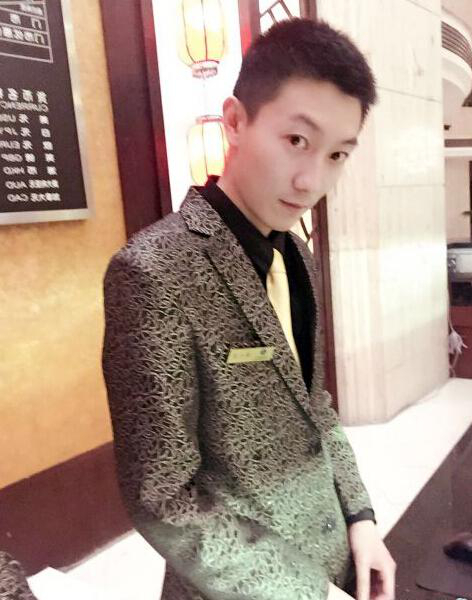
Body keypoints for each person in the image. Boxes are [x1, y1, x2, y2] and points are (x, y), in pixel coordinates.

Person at [102, 18, 396, 600]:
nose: (312, 180)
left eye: (338, 154)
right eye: (297, 141)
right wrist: (304, 593)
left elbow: (314, 408)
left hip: (335, 557)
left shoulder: (298, 255)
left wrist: (361, 520)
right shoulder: (153, 271)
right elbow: (164, 495)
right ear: (235, 121)